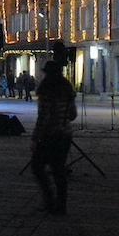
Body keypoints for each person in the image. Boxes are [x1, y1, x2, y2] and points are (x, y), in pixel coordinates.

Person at [32, 60, 77, 214]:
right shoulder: (68, 89)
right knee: (59, 170)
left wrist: (35, 137)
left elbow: (43, 117)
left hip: (49, 135)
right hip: (65, 135)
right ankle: (61, 205)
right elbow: (73, 115)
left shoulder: (46, 90)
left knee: (37, 167)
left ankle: (49, 199)